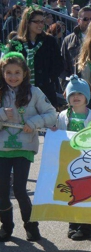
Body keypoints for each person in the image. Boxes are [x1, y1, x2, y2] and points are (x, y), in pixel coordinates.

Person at [0, 52, 57, 242]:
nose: (13, 77)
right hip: (2, 149)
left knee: (19, 190)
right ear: (2, 72)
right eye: (8, 72)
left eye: (17, 72)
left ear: (25, 73)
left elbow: (52, 114)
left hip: (24, 148)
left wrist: (33, 123)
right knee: (1, 190)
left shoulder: (35, 92)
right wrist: (1, 114)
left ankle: (31, 225)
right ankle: (6, 226)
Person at [53, 75, 91, 240]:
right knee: (71, 191)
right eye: (72, 94)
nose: (76, 97)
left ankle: (86, 227)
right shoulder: (62, 116)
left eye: (80, 94)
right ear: (67, 97)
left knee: (86, 192)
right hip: (69, 160)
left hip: (88, 161)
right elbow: (58, 135)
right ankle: (73, 224)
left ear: (86, 97)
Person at [9, 5, 63, 109]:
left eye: (42, 22)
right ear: (27, 22)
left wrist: (49, 78)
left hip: (45, 90)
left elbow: (59, 63)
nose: (40, 25)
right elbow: (10, 64)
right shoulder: (16, 42)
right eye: (37, 21)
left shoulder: (49, 41)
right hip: (22, 90)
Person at [61, 6, 91, 89]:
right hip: (77, 87)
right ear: (79, 21)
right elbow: (63, 66)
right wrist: (66, 86)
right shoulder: (68, 40)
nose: (89, 22)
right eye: (85, 19)